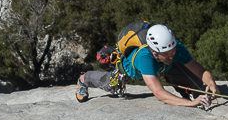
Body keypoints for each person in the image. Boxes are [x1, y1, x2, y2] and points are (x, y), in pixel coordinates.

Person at [75, 23, 218, 107]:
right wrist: (190, 104)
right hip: (128, 70)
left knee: (193, 82)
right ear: (154, 52)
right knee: (110, 85)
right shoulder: (144, 58)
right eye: (166, 54)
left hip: (163, 67)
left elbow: (197, 69)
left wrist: (212, 83)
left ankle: (192, 94)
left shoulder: (174, 47)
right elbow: (159, 94)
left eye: (172, 52)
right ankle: (84, 79)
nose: (171, 55)